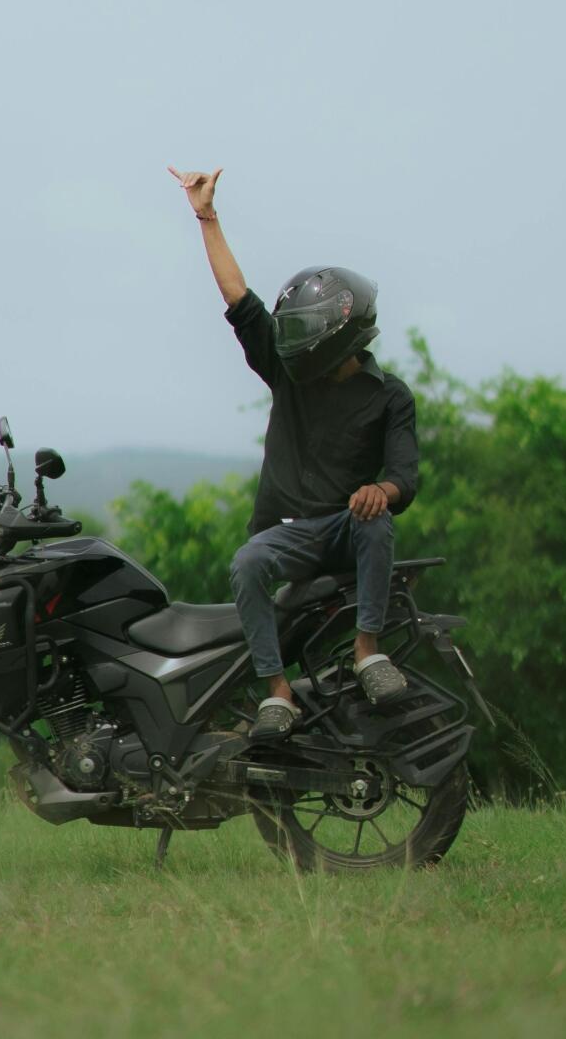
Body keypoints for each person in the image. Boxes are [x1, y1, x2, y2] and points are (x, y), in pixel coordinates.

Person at [170, 164, 419, 737]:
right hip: (288, 531)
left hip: (345, 529)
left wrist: (380, 490)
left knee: (376, 522)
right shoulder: (289, 371)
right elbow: (240, 299)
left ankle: (366, 651)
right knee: (247, 561)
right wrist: (206, 216)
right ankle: (276, 691)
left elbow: (405, 476)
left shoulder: (389, 397)